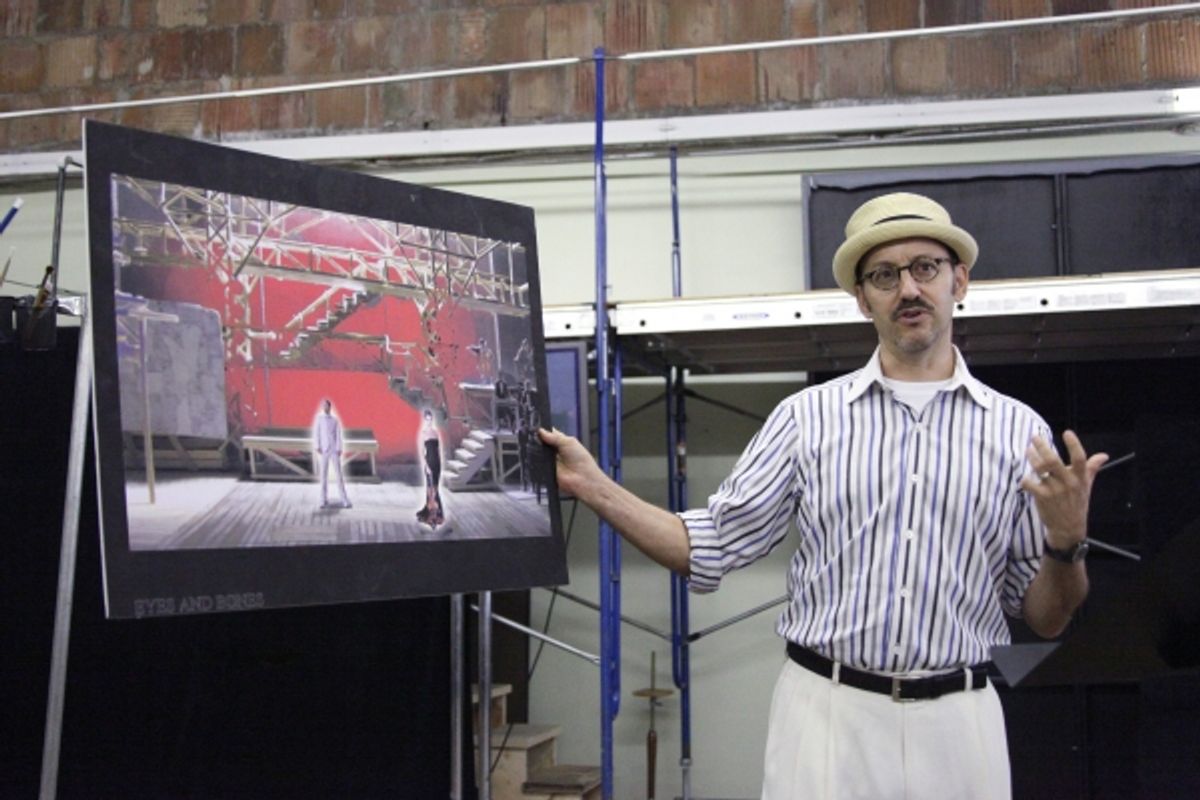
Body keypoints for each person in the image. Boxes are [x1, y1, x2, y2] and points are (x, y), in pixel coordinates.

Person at [538, 192, 1106, 800]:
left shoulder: (1020, 432)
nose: (908, 289)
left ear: (958, 280)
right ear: (862, 299)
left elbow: (1047, 616)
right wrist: (591, 485)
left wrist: (1066, 544)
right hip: (827, 718)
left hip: (960, 725)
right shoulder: (805, 420)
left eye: (925, 267)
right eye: (883, 275)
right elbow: (707, 544)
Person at [313, 399, 352, 509]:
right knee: (323, 475)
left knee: (339, 474)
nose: (325, 407)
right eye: (323, 406)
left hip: (334, 448)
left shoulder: (335, 420)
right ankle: (323, 499)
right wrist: (317, 446)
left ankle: (344, 499)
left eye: (327, 406)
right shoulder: (319, 419)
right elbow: (316, 433)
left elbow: (338, 434)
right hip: (324, 449)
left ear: (330, 407)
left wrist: (339, 448)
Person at [417, 408, 445, 528]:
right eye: (427, 420)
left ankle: (437, 515)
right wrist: (426, 466)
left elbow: (438, 450)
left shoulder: (435, 432)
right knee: (430, 490)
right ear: (424, 420)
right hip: (429, 463)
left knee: (436, 489)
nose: (429, 422)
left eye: (430, 419)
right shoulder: (423, 434)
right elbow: (422, 452)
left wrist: (441, 463)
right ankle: (430, 515)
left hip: (437, 463)